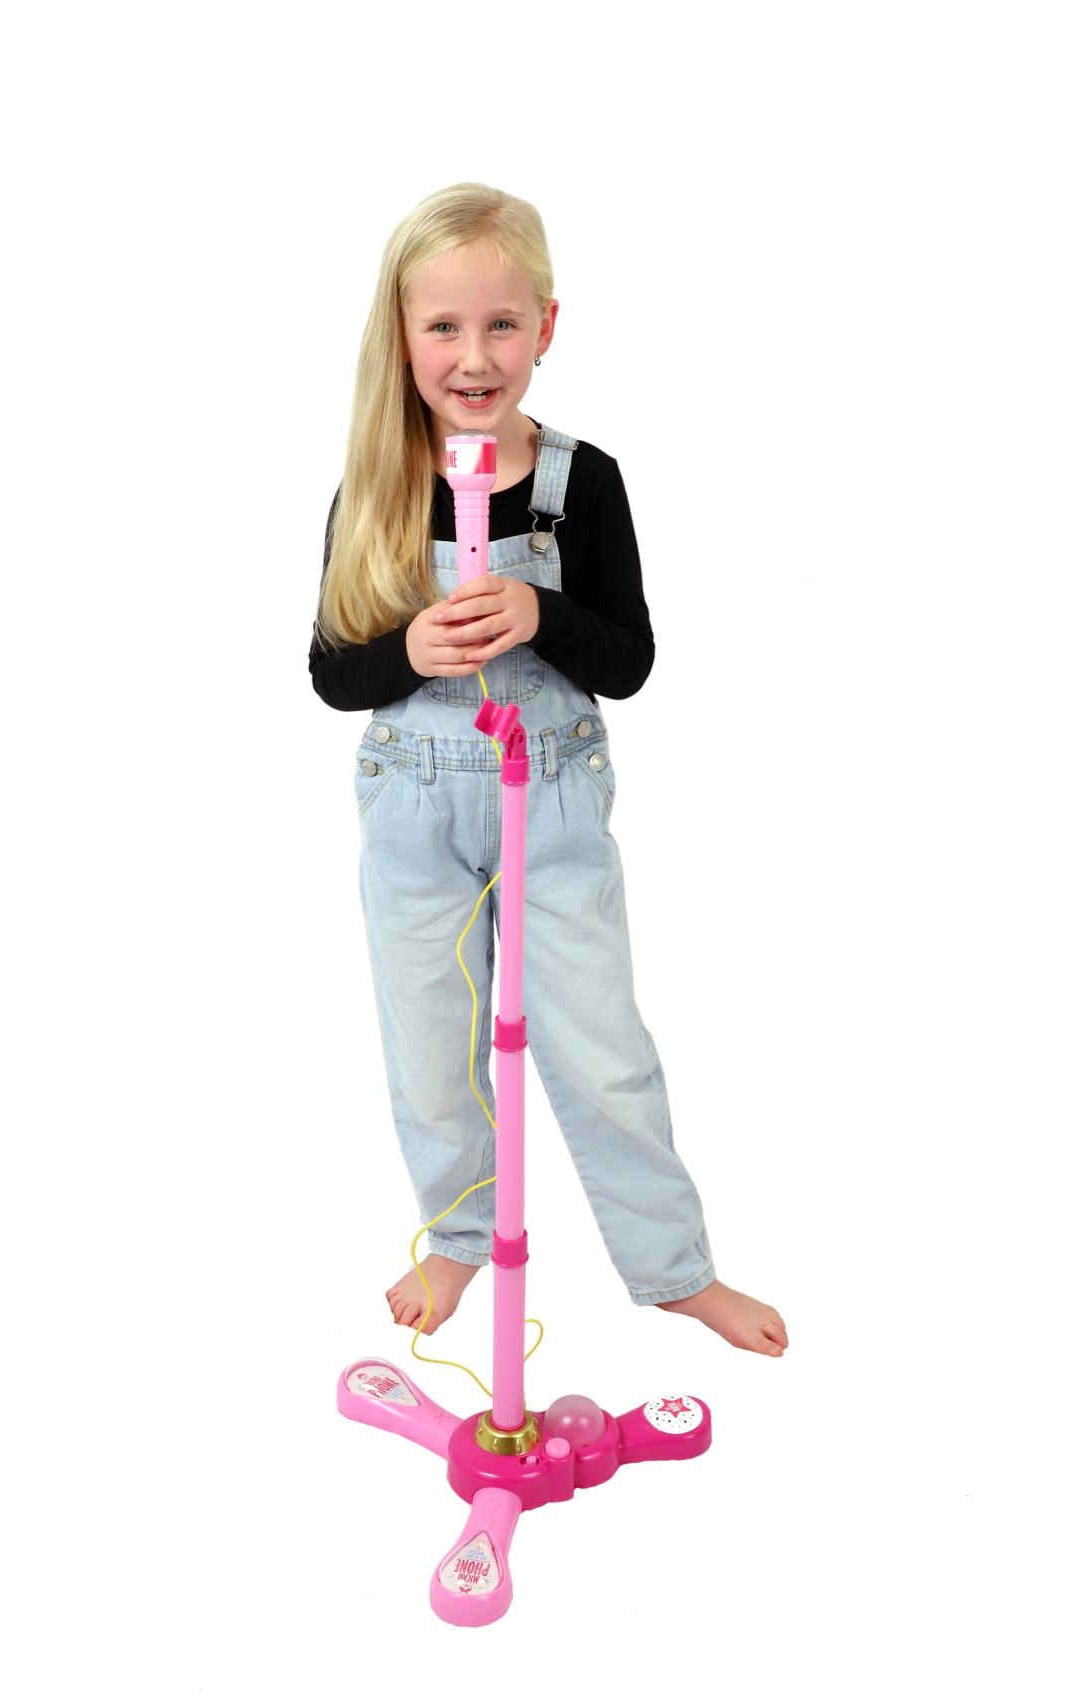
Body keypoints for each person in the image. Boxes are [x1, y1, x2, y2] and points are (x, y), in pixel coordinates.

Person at [309, 183, 788, 1358]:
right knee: (432, 1047)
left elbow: (628, 660)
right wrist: (407, 650)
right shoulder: (372, 482)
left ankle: (672, 1267)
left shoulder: (587, 480)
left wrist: (541, 612)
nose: (474, 357)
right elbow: (329, 672)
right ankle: (458, 1237)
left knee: (601, 1050)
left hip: (555, 803)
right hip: (416, 813)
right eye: (443, 326)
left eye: (501, 324)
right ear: (401, 334)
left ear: (546, 326)